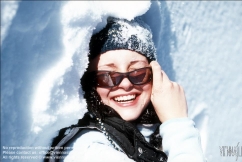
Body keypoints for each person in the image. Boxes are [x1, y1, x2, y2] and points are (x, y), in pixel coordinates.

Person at [45, 17, 205, 162]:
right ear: (90, 84)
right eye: (108, 76)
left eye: (138, 73)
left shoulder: (152, 133)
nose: (126, 84)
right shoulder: (87, 150)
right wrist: (177, 123)